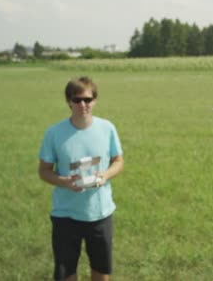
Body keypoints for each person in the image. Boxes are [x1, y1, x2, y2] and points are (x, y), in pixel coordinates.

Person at [38, 76, 124, 281]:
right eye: (77, 100)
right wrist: (64, 182)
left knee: (101, 272)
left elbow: (118, 161)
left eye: (88, 99)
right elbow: (44, 171)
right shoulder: (54, 133)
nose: (83, 105)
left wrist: (105, 175)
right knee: (66, 273)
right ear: (68, 101)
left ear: (95, 100)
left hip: (100, 213)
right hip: (65, 215)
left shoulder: (107, 128)